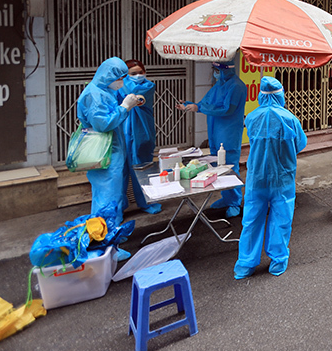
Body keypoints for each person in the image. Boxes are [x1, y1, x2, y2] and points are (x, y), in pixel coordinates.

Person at [234, 77, 307, 279]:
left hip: (256, 178)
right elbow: (300, 144)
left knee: (251, 220)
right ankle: (277, 260)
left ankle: (245, 264)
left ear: (260, 95)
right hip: (282, 180)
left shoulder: (251, 118)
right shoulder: (290, 119)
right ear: (281, 94)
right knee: (281, 220)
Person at [77, 58, 142, 229]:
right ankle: (105, 245)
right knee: (106, 201)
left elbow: (114, 105)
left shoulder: (105, 90)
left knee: (111, 197)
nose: (122, 81)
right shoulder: (94, 95)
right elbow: (102, 124)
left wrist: (131, 101)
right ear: (108, 76)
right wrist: (124, 108)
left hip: (112, 151)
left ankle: (110, 239)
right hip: (104, 152)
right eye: (120, 78)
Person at [177, 60, 245, 218]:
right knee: (218, 167)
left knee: (229, 168)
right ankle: (225, 198)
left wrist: (199, 107)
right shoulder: (218, 85)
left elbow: (227, 109)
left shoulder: (236, 86)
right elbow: (205, 103)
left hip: (228, 134)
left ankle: (234, 202)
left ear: (225, 70)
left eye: (216, 70)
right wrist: (189, 105)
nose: (214, 73)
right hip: (215, 133)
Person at [117, 60, 161, 214]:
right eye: (133, 73)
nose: (138, 76)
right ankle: (120, 206)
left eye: (140, 72)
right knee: (121, 170)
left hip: (142, 132)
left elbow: (137, 97)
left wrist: (124, 81)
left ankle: (146, 202)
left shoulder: (148, 86)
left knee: (142, 169)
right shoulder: (119, 86)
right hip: (123, 132)